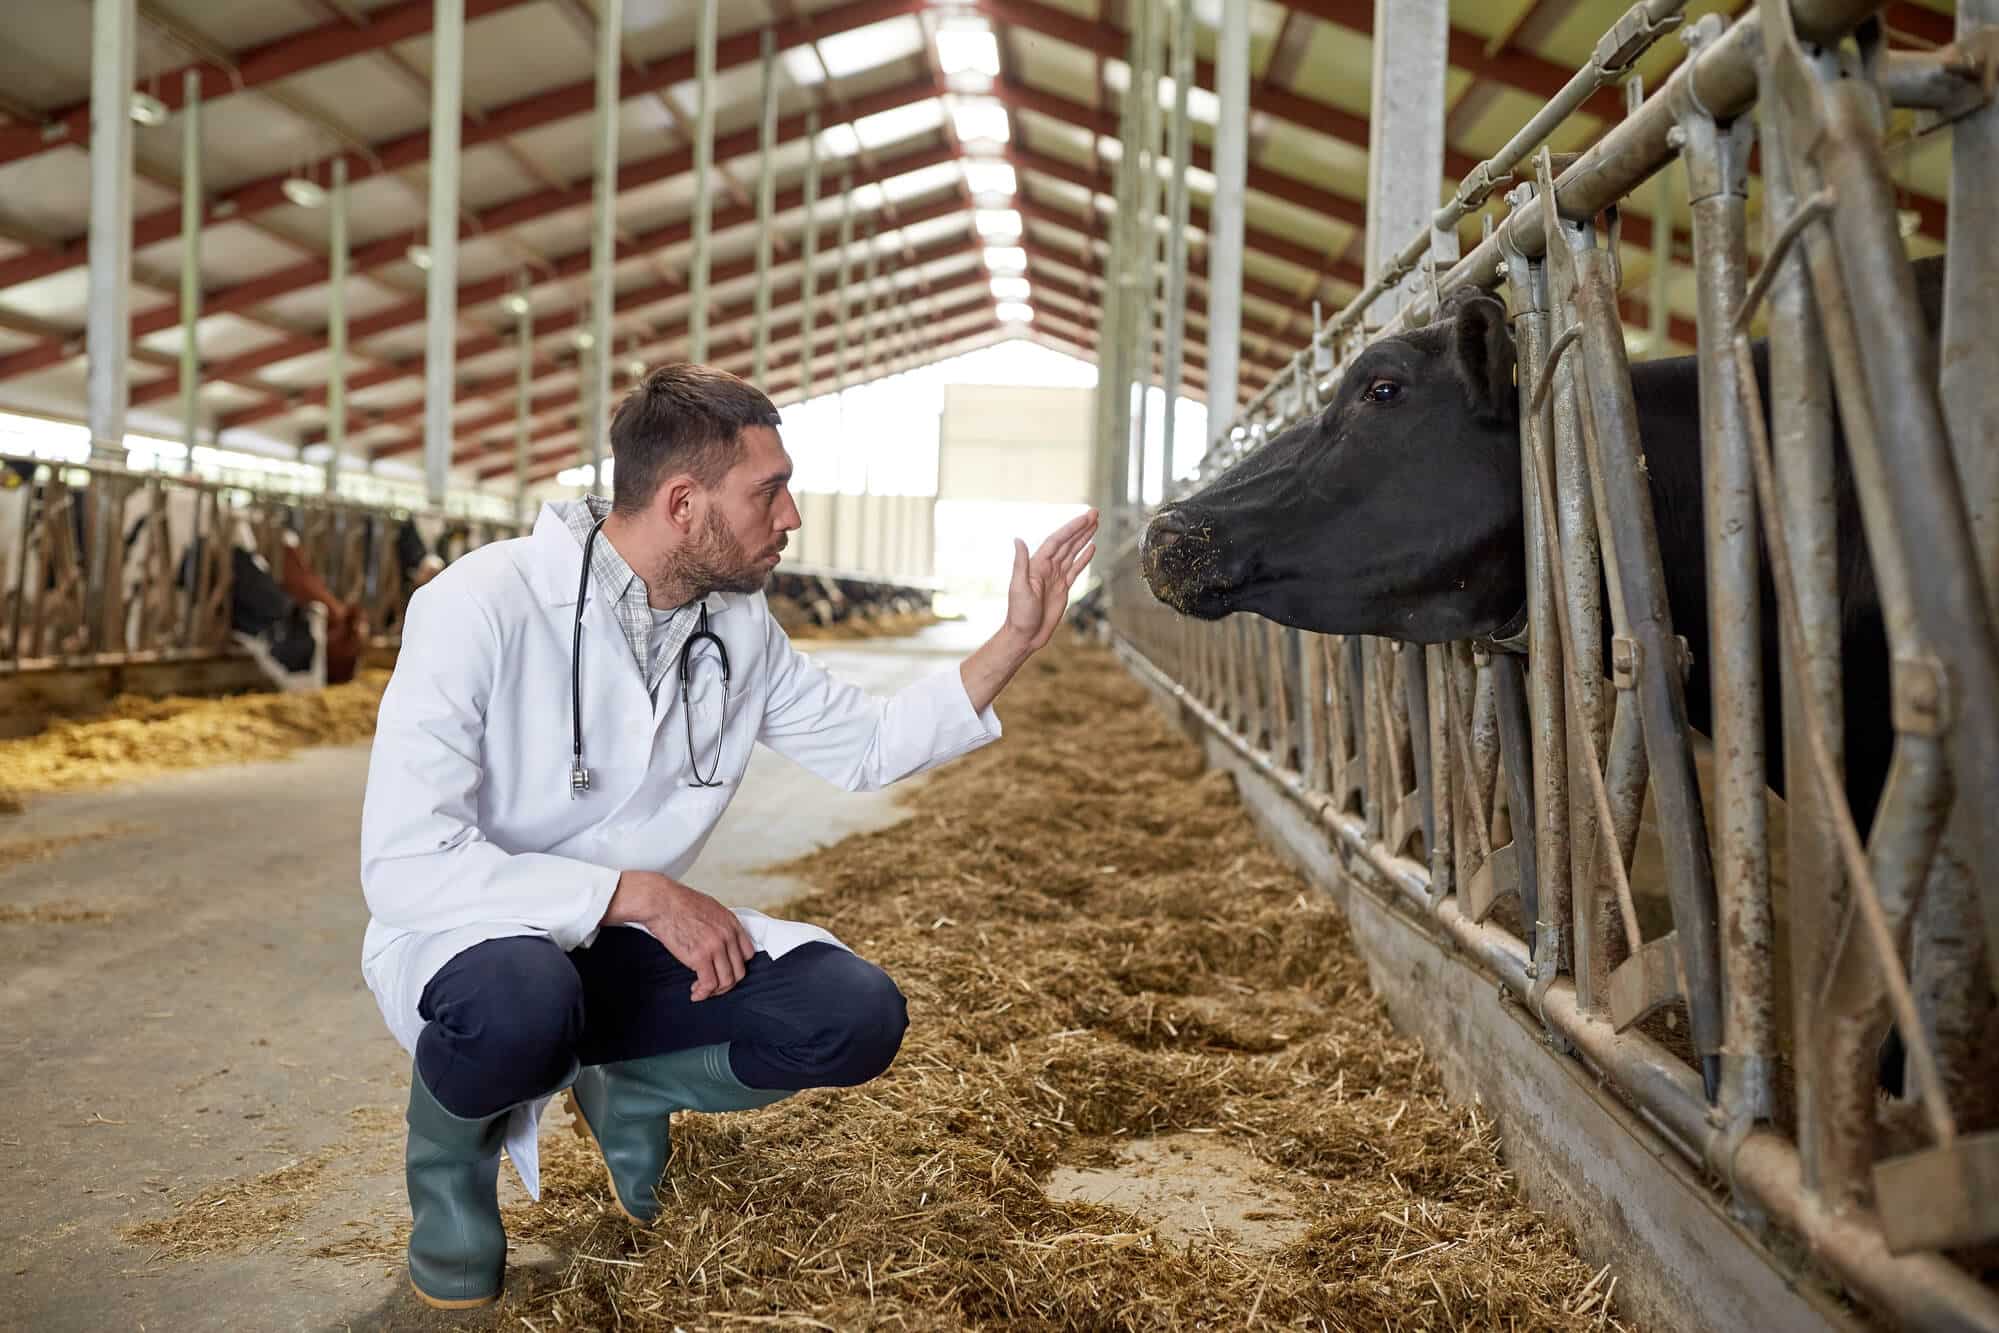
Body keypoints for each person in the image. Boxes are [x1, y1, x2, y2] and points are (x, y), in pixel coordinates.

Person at [357, 362, 1098, 1309]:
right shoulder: (478, 604)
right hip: (474, 937)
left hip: (622, 948)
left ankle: (629, 1085)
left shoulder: (736, 626)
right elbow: (407, 863)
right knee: (520, 997)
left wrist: (1012, 643)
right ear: (681, 502)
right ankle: (451, 1183)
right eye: (769, 490)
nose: (789, 518)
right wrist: (641, 893)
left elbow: (867, 745)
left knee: (852, 1012)